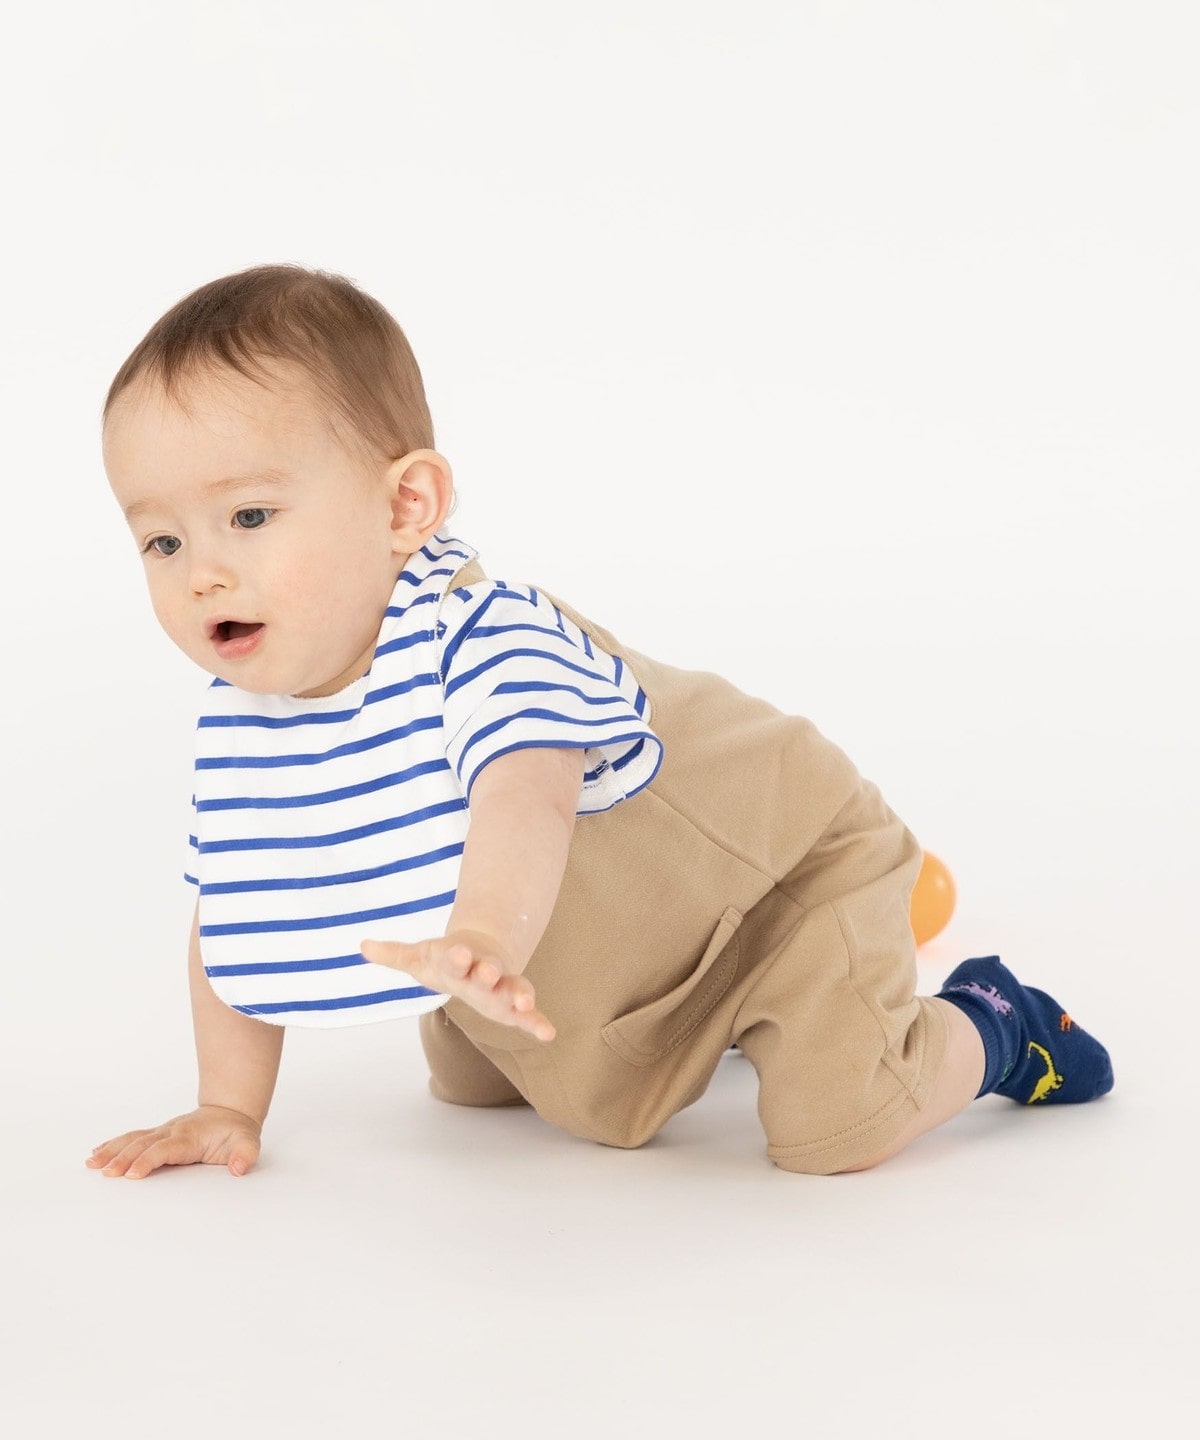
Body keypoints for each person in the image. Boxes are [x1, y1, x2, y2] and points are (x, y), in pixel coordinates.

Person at [87, 265, 1113, 1183]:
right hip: (629, 942)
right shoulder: (251, 721)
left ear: (406, 507)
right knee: (477, 1086)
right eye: (162, 542)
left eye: (249, 517)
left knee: (840, 1123)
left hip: (779, 881)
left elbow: (526, 799)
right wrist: (227, 1107)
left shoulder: (482, 639)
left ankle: (993, 1023)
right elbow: (238, 912)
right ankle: (737, 1020)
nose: (202, 572)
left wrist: (480, 939)